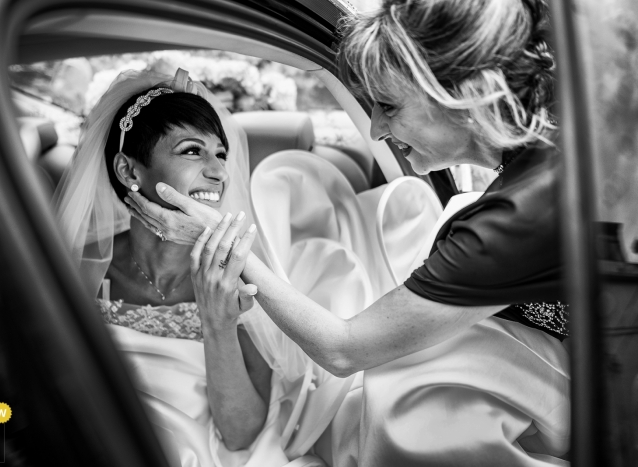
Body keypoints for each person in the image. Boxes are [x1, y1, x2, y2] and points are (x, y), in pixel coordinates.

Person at [125, 0, 571, 465]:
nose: (375, 130)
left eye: (389, 105)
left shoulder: (518, 213)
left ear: (465, 94)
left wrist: (222, 240)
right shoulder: (547, 164)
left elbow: (342, 350)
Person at [53, 69, 326, 467]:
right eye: (192, 150)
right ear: (130, 171)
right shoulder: (76, 266)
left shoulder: (241, 275)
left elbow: (241, 434)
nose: (217, 171)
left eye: (220, 153)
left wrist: (218, 321)